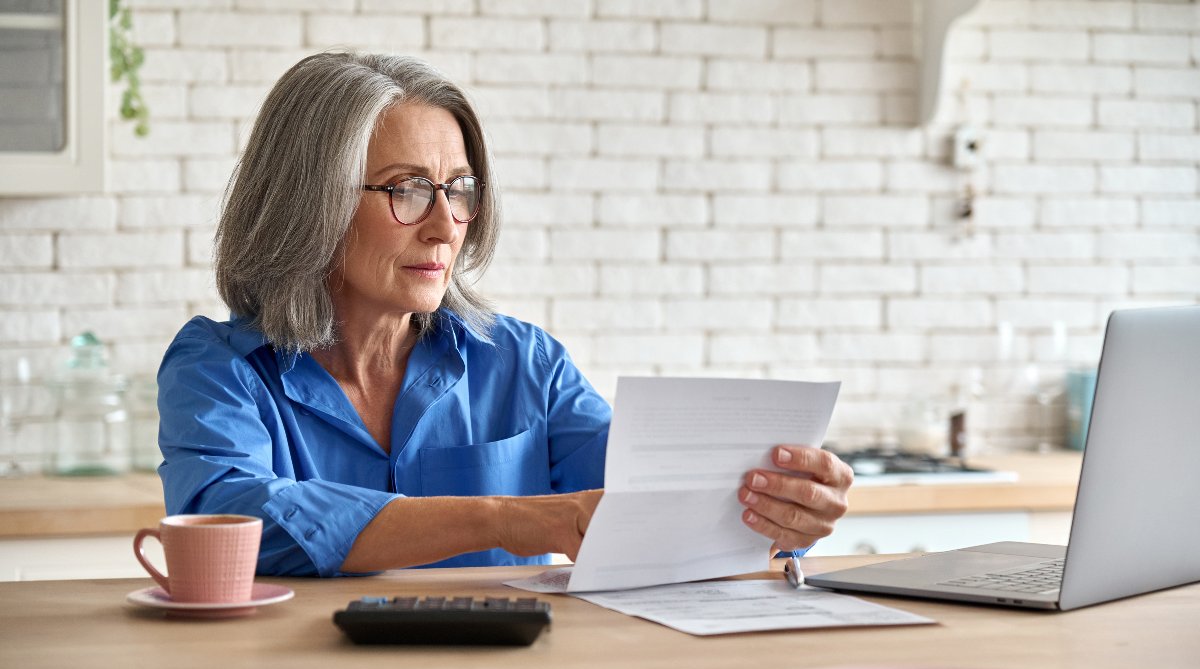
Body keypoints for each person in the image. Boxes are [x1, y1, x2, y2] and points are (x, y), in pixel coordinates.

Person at [156, 51, 853, 577]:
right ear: (310, 203)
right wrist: (505, 517)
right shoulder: (218, 369)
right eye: (408, 190)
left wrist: (782, 511)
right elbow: (232, 520)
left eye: (459, 189)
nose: (445, 226)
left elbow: (653, 500)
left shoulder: (527, 366)